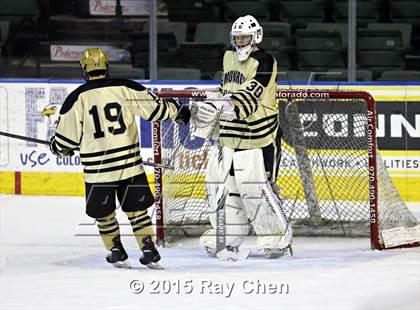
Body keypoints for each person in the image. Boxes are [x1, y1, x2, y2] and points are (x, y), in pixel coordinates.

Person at [49, 47, 190, 269]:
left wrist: (58, 148)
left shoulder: (76, 98)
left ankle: (115, 249)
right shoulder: (126, 87)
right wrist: (178, 112)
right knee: (137, 212)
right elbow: (154, 109)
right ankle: (148, 248)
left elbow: (66, 141)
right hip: (129, 166)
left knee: (103, 214)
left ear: (84, 70)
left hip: (98, 171)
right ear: (107, 66)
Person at [192, 15, 293, 260]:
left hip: (259, 136)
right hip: (231, 136)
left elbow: (253, 92)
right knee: (227, 188)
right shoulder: (228, 56)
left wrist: (226, 106)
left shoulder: (266, 60)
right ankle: (227, 236)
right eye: (237, 38)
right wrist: (213, 99)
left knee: (257, 188)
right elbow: (228, 87)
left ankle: (276, 237)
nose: (240, 42)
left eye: (245, 37)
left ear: (255, 36)